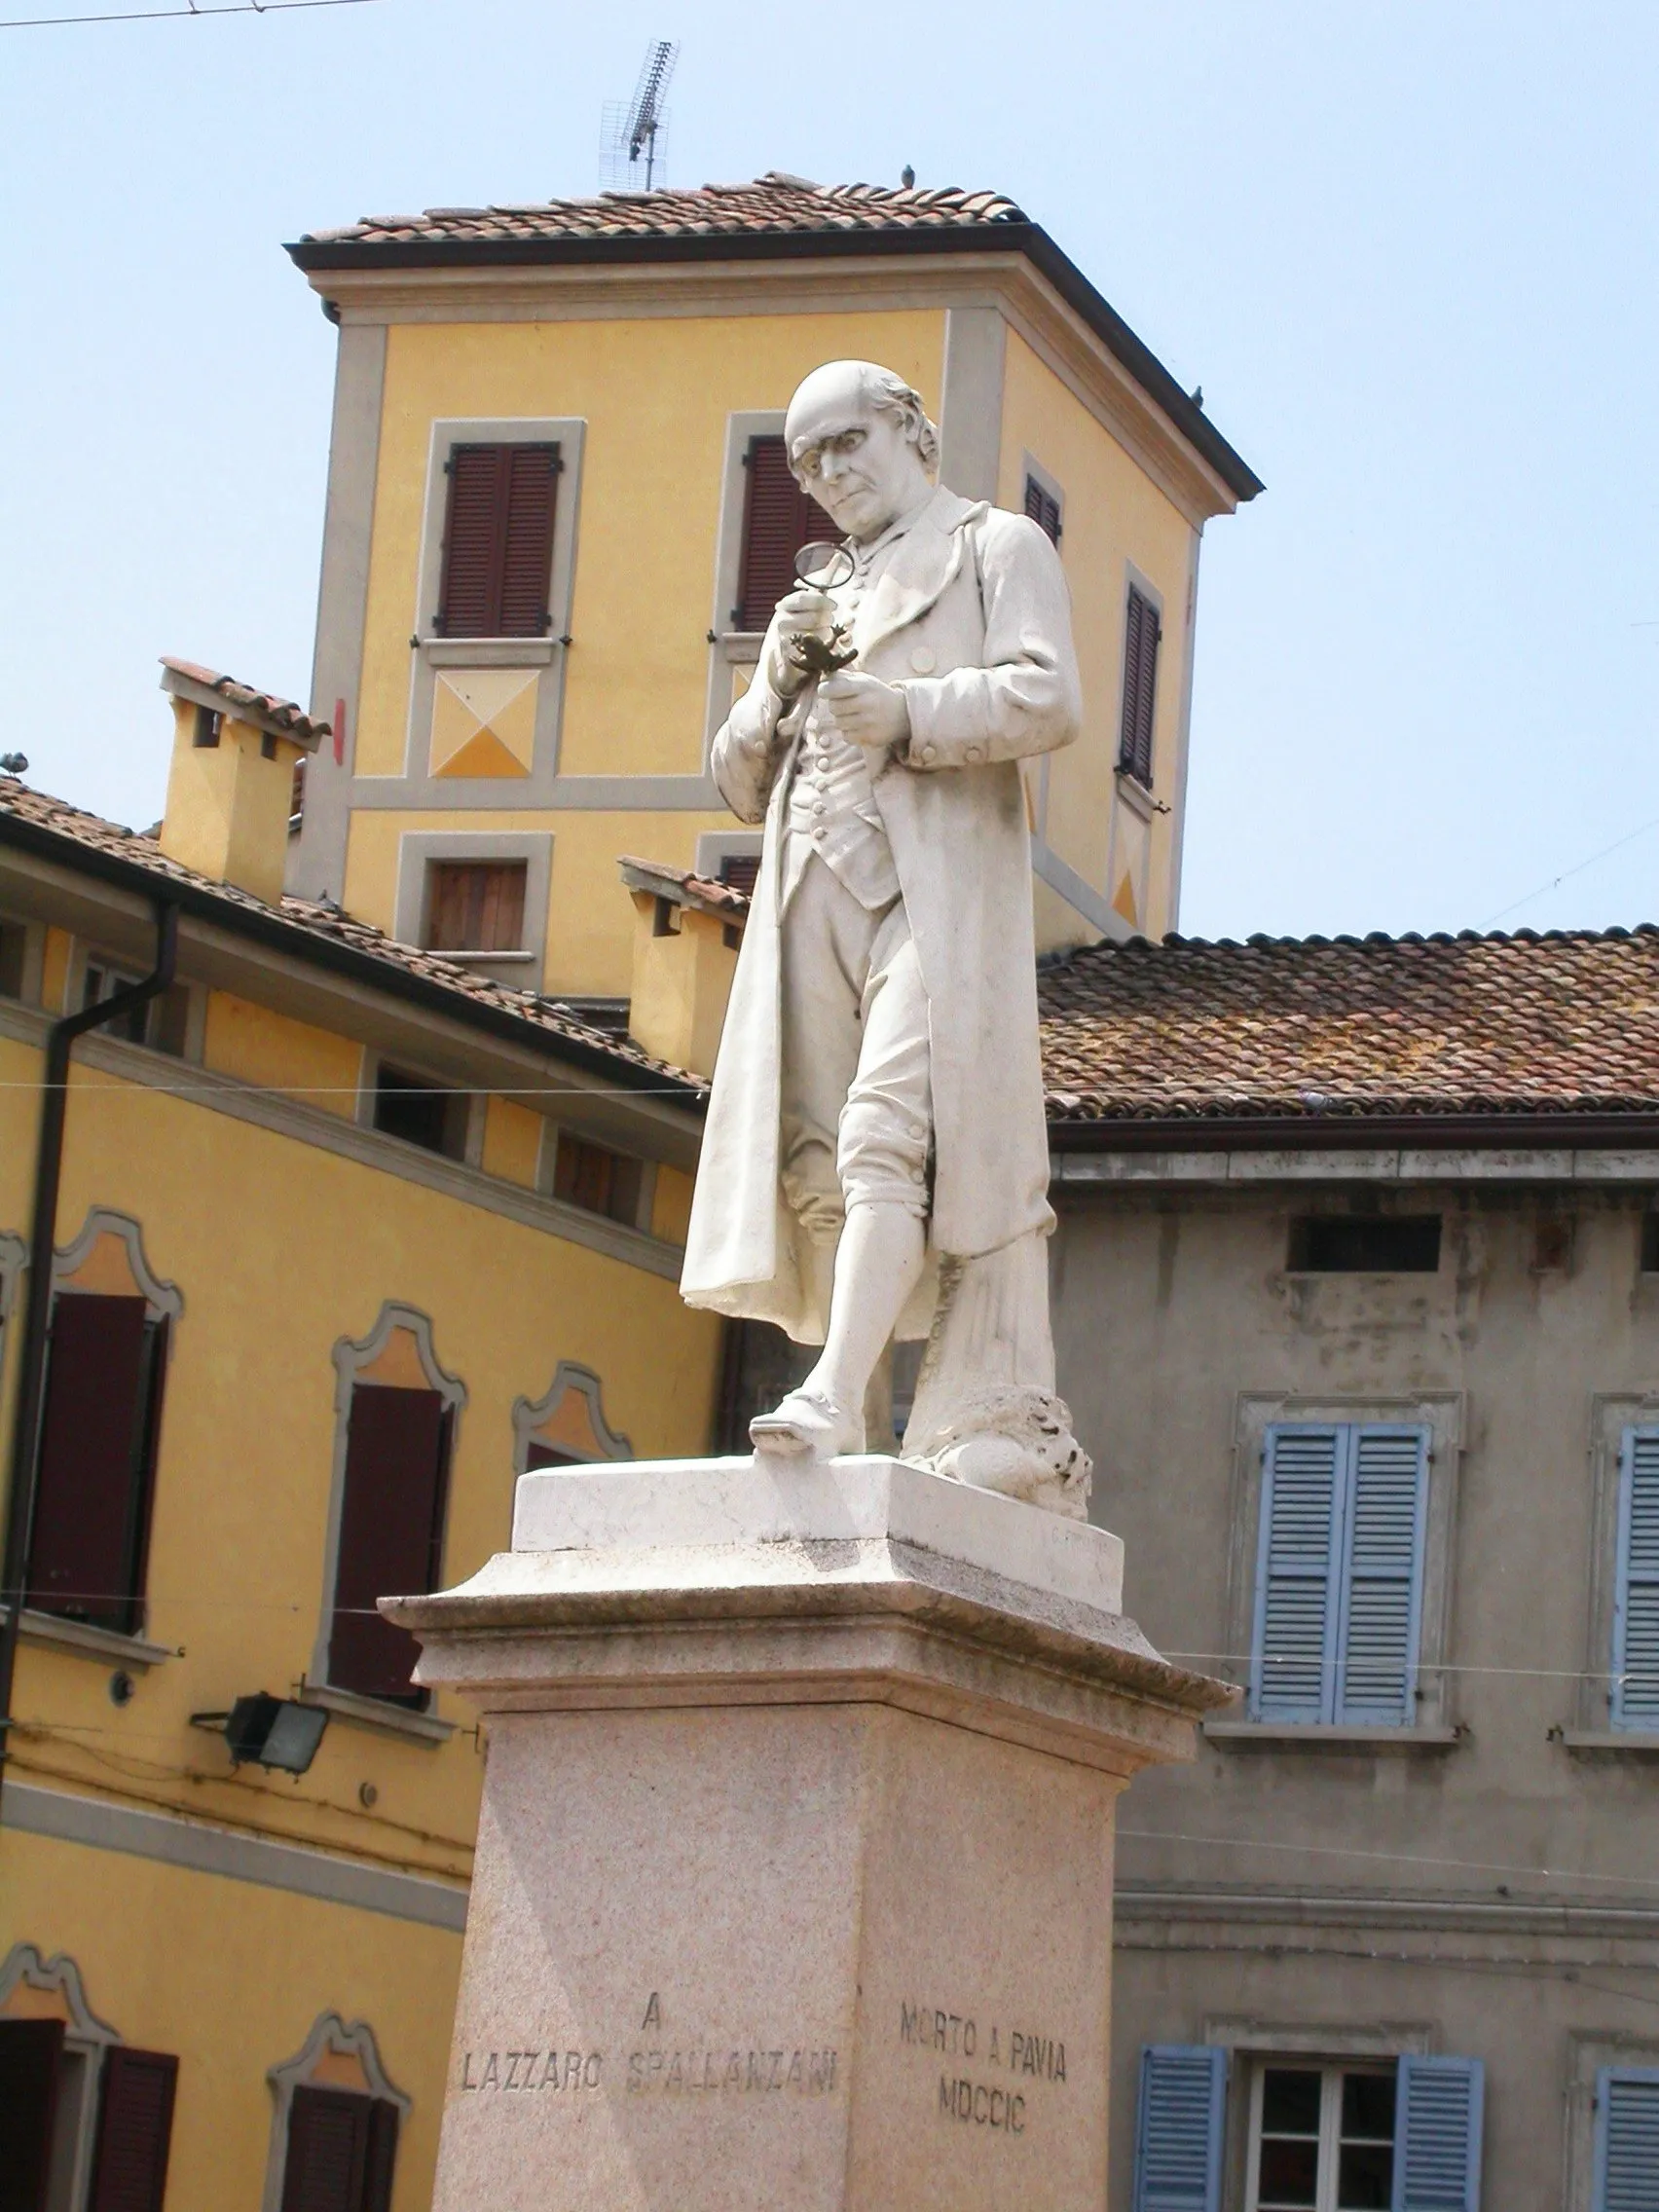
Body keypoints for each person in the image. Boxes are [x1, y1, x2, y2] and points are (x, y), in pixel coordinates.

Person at [681, 359, 1090, 1516]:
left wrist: (914, 713)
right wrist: (769, 687)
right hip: (811, 885)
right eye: (808, 462)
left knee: (883, 1137)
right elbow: (735, 776)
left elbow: (1051, 699)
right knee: (812, 1153)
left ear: (911, 429)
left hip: (930, 894)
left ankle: (829, 1390)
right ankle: (845, 1424)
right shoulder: (813, 600)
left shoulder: (994, 546)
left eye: (848, 442)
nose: (830, 474)